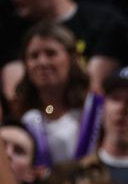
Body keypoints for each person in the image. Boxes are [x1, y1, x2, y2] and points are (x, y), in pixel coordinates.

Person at [1, 0, 128, 97]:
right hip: (36, 117)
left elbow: (93, 93)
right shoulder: (11, 32)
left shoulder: (104, 22)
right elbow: (17, 100)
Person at [11, 21, 103, 168]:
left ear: (71, 58)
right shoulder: (22, 114)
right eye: (34, 56)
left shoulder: (97, 108)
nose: (42, 62)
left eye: (51, 53)